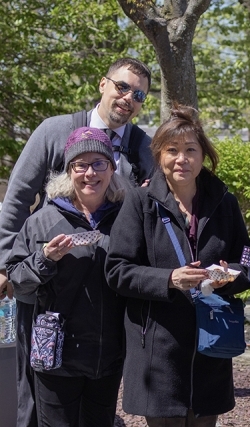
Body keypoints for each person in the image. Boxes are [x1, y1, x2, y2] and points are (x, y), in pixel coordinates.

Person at [0, 57, 153, 427]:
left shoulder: (142, 147)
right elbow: (18, 198)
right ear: (102, 84)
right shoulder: (54, 131)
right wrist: (5, 264)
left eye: (138, 95)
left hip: (102, 305)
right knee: (36, 397)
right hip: (45, 291)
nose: (128, 98)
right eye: (122, 87)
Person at [105, 104, 250, 426]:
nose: (181, 159)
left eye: (190, 150)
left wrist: (231, 276)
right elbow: (116, 270)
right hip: (158, 351)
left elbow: (247, 263)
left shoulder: (223, 202)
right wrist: (170, 279)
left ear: (203, 155)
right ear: (159, 156)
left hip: (211, 344)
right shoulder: (140, 202)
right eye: (172, 150)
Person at [6, 127, 127, 427]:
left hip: (107, 356)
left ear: (112, 168)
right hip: (55, 358)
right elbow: (16, 279)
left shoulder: (127, 218)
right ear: (69, 171)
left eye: (99, 163)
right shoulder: (42, 220)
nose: (90, 173)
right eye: (80, 165)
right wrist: (44, 259)